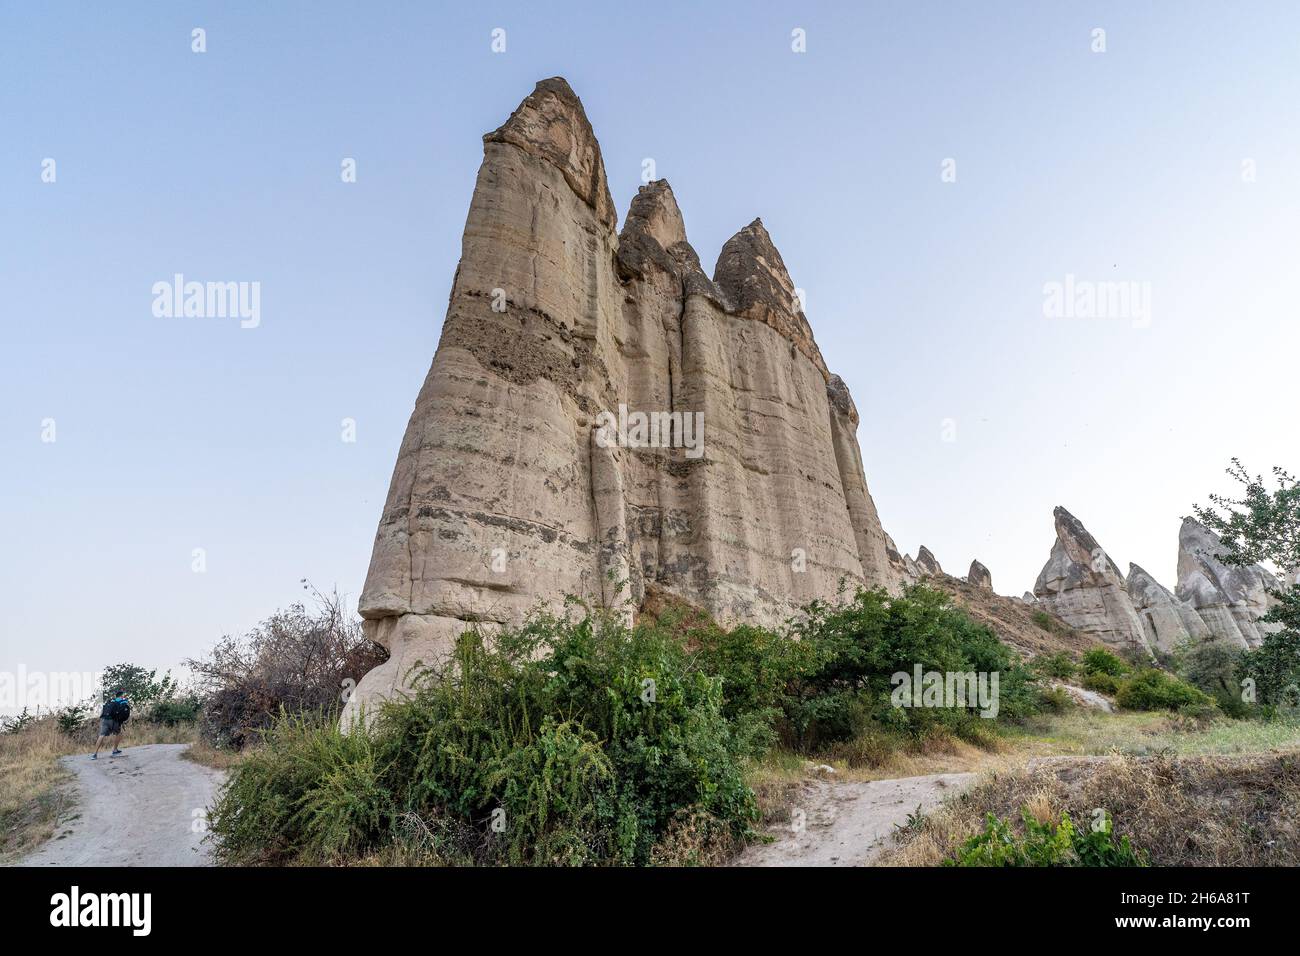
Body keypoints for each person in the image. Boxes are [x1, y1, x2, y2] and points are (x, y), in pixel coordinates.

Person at [92, 689, 131, 759]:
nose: (124, 697)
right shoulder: (123, 701)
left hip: (104, 719)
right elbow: (125, 712)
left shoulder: (111, 701)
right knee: (118, 733)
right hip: (114, 720)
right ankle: (115, 750)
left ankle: (94, 754)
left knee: (101, 735)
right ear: (121, 696)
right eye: (123, 695)